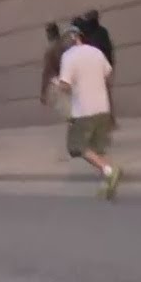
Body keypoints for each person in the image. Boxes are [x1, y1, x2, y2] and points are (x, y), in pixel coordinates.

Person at [57, 25, 123, 199]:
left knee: (77, 146)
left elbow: (65, 84)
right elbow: (108, 74)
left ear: (69, 40)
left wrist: (58, 84)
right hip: (103, 107)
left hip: (83, 110)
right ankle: (108, 182)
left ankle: (110, 170)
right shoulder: (96, 52)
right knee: (98, 149)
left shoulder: (68, 57)